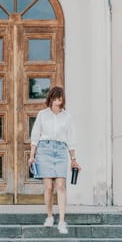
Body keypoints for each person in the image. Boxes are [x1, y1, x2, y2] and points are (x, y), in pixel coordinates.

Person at [28, 86, 81, 234]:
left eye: (60, 99)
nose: (57, 101)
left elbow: (71, 139)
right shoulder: (42, 114)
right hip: (44, 150)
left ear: (63, 100)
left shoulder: (67, 117)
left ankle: (62, 221)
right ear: (50, 99)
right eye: (55, 98)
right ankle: (50, 217)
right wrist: (32, 156)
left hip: (60, 151)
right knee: (49, 187)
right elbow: (35, 136)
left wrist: (73, 159)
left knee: (61, 186)